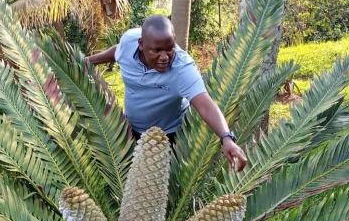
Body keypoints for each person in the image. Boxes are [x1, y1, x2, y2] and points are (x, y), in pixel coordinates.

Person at [86, 15, 248, 172]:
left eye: (169, 49)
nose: (164, 57)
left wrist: (227, 138)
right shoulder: (129, 41)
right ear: (141, 44)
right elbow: (118, 52)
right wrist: (89, 61)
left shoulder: (182, 69)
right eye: (156, 51)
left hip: (169, 138)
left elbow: (206, 105)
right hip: (130, 131)